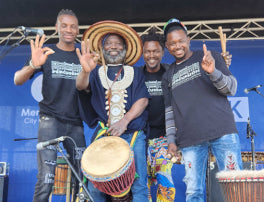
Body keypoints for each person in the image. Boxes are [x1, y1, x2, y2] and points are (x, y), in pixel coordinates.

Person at [161, 18, 243, 202]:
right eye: (172, 43)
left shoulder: (209, 56)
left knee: (235, 186)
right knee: (193, 192)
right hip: (190, 139)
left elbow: (231, 88)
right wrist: (172, 141)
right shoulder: (168, 76)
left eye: (181, 41)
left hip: (222, 132)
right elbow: (169, 112)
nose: (178, 46)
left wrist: (213, 71)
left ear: (188, 40)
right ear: (167, 47)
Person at [14, 9, 86, 202]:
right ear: (57, 28)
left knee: (83, 178)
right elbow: (17, 79)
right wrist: (33, 65)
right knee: (46, 179)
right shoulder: (47, 53)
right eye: (64, 25)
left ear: (78, 29)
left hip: (76, 123)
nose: (69, 30)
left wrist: (87, 69)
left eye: (73, 26)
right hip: (50, 121)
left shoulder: (82, 55)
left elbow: (88, 89)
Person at [76, 20, 149, 202]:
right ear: (102, 48)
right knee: (96, 184)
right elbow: (81, 87)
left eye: (118, 43)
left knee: (139, 184)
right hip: (105, 136)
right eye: (108, 43)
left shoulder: (136, 72)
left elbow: (142, 100)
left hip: (133, 135)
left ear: (124, 48)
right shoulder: (94, 72)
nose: (113, 47)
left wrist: (124, 122)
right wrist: (85, 71)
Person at [140, 28, 176, 202]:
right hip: (140, 138)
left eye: (155, 51)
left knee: (164, 181)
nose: (151, 55)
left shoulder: (171, 73)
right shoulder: (136, 76)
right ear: (142, 53)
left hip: (163, 138)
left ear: (163, 52)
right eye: (147, 51)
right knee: (141, 185)